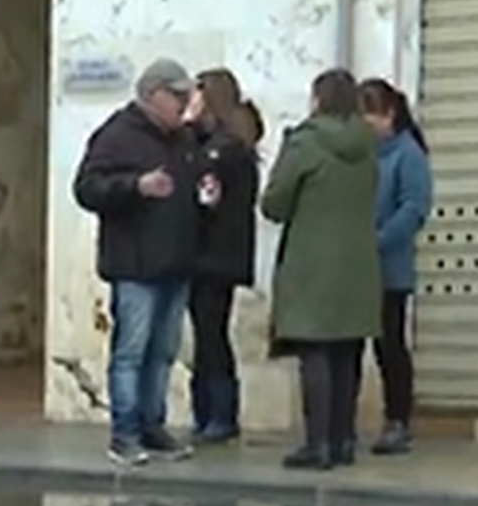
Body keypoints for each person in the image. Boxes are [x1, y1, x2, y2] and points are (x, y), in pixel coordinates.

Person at [73, 58, 205, 466]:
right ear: (151, 95)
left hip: (176, 263)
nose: (184, 104)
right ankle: (125, 434)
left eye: (187, 96)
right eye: (176, 95)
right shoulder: (116, 136)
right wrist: (135, 186)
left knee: (163, 352)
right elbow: (87, 188)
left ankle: (153, 425)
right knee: (131, 351)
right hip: (135, 265)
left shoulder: (183, 140)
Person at [261, 68, 382, 470]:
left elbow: (274, 204)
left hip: (312, 263)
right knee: (347, 352)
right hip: (360, 266)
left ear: (318, 100)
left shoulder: (306, 143)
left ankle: (317, 445)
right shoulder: (369, 145)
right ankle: (343, 441)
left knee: (314, 351)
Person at [184, 68, 265, 444]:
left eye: (196, 96)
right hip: (223, 256)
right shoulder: (231, 145)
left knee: (210, 335)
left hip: (212, 256)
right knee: (209, 335)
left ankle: (218, 414)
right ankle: (211, 413)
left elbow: (203, 196)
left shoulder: (221, 151)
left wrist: (185, 129)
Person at [356, 78, 431, 454]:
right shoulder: (361, 154)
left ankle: (398, 419)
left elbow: (414, 209)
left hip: (390, 269)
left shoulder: (407, 154)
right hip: (354, 268)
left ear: (389, 114)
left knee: (389, 345)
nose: (366, 126)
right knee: (350, 346)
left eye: (371, 117)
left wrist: (378, 240)